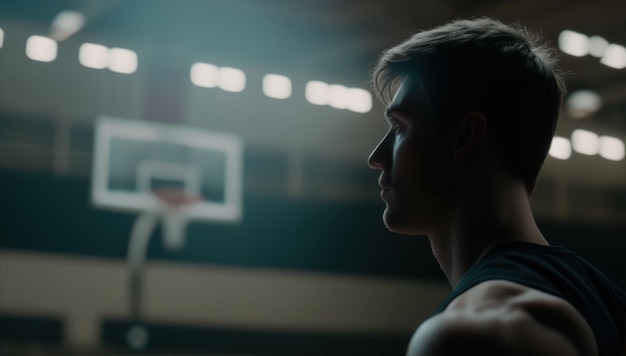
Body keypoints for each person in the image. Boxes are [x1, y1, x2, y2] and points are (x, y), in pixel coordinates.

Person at [367, 18, 625, 356]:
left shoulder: (477, 333)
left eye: (400, 126)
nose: (376, 157)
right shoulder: (608, 302)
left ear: (465, 136)